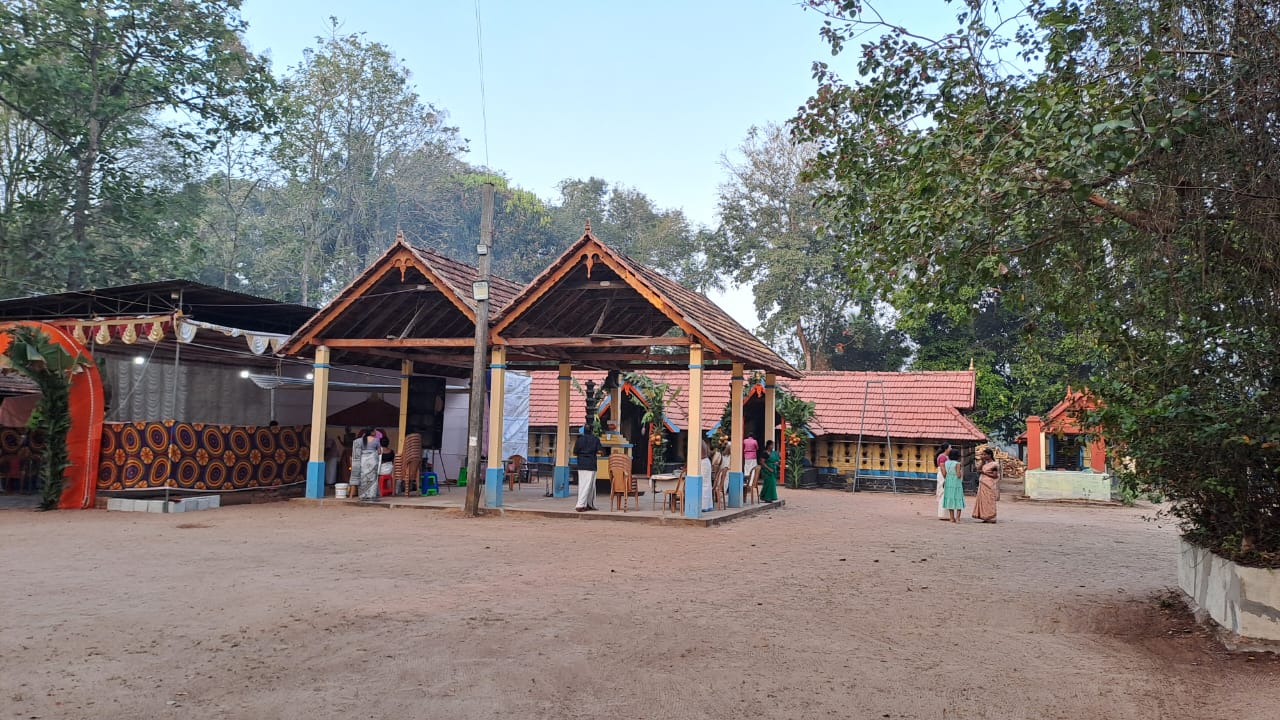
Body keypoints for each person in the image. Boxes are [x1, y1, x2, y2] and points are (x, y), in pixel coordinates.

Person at [573, 426, 603, 512]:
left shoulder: (579, 440)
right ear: (592, 431)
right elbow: (600, 451)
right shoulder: (595, 439)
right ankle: (581, 505)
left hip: (581, 464)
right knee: (590, 486)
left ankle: (588, 504)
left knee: (583, 484)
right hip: (591, 464)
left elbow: (575, 452)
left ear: (584, 431)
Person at [352, 428, 380, 500]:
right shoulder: (376, 440)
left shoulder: (360, 440)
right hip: (373, 460)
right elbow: (379, 452)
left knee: (363, 477)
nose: (376, 432)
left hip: (363, 460)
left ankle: (362, 495)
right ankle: (371, 495)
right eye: (375, 431)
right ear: (372, 432)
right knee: (373, 477)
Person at [973, 448, 1000, 523]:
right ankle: (985, 517)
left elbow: (994, 475)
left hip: (989, 485)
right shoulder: (985, 463)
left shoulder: (994, 464)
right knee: (984, 502)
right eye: (982, 454)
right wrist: (982, 461)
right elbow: (978, 469)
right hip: (983, 485)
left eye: (985, 454)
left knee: (989, 501)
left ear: (990, 455)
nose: (983, 456)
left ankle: (992, 518)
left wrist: (984, 472)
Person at [942, 447, 965, 523]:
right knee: (958, 498)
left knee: (950, 498)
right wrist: (961, 473)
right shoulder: (957, 464)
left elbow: (944, 474)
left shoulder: (946, 463)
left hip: (948, 481)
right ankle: (958, 518)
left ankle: (951, 518)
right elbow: (958, 475)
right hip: (956, 482)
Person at [935, 442, 952, 521]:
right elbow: (942, 468)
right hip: (943, 475)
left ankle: (945, 514)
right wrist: (946, 477)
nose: (951, 449)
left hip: (944, 474)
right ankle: (943, 514)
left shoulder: (946, 456)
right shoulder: (942, 457)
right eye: (950, 447)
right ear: (946, 449)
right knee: (943, 493)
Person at [701, 439, 715, 512]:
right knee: (706, 484)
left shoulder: (699, 441)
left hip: (703, 463)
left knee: (704, 484)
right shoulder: (703, 442)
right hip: (705, 462)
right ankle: (707, 505)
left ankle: (704, 506)